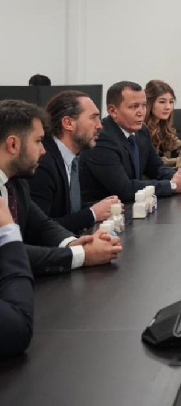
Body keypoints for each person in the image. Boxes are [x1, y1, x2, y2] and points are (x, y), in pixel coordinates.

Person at [0, 100, 122, 276]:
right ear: (13, 144)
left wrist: (74, 243)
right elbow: (7, 252)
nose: (43, 150)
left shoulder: (16, 181)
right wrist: (82, 255)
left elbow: (41, 225)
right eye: (38, 141)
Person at [80, 81, 181, 204]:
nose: (141, 112)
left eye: (143, 105)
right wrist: (172, 185)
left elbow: (156, 167)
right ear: (113, 111)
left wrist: (174, 176)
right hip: (106, 211)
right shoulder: (101, 138)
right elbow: (124, 189)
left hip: (133, 206)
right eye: (133, 107)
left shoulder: (142, 131)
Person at [27, 91, 121, 233]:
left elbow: (69, 209)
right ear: (68, 123)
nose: (99, 126)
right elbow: (38, 229)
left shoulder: (72, 158)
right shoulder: (43, 163)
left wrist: (101, 207)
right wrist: (92, 214)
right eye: (93, 118)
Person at [0, 196, 33, 359]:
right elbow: (16, 329)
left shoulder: (18, 186)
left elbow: (42, 225)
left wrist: (74, 246)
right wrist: (7, 232)